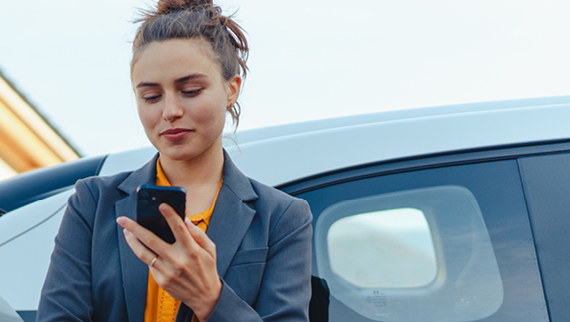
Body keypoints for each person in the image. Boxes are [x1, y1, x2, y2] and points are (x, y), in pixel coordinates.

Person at [36, 0, 313, 321]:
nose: (169, 111)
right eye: (151, 96)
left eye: (191, 90)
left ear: (232, 89)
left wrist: (212, 298)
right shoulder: (93, 204)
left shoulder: (281, 218)